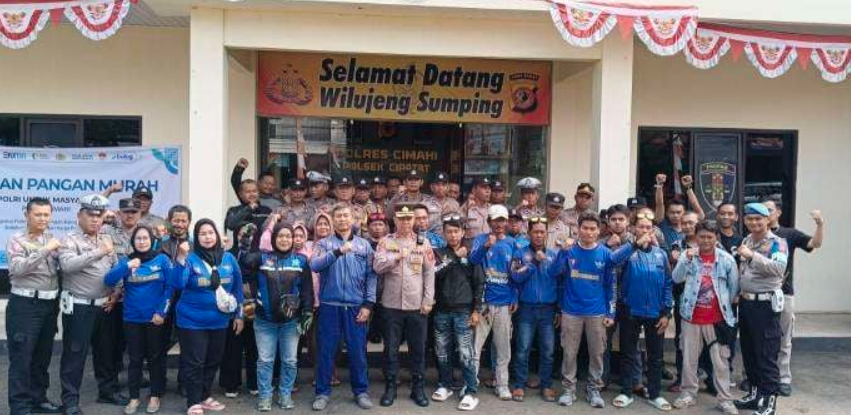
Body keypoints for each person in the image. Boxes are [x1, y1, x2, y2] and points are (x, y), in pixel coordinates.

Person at [551, 212, 632, 409]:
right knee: (569, 353)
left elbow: (611, 285)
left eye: (592, 229)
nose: (588, 232)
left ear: (598, 231)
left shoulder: (605, 253)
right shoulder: (569, 250)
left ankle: (594, 389)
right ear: (578, 229)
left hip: (597, 312)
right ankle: (568, 390)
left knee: (597, 353)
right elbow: (553, 272)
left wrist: (610, 313)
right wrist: (562, 252)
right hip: (571, 311)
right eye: (585, 228)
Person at [171, 219, 244, 415]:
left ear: (217, 235)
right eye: (202, 234)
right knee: (195, 362)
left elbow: (237, 288)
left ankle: (204, 396)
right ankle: (193, 402)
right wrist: (180, 257)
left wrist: (239, 315)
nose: (207, 237)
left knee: (213, 360)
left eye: (210, 233)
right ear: (196, 237)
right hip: (191, 321)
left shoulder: (229, 259)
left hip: (220, 320)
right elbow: (177, 284)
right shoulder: (190, 258)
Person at [57, 195, 123, 415]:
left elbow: (115, 268)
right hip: (79, 306)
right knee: (74, 354)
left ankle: (107, 391)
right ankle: (70, 401)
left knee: (106, 352)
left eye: (99, 215)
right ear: (79, 215)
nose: (95, 219)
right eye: (90, 215)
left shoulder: (106, 237)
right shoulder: (70, 239)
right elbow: (67, 265)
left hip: (105, 305)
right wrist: (100, 251)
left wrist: (117, 292)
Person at [309, 204, 377, 411]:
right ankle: (322, 393)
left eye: (346, 215)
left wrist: (368, 304)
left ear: (352, 219)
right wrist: (337, 252)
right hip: (330, 305)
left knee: (357, 351)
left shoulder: (364, 245)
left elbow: (371, 276)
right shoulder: (324, 244)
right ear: (333, 219)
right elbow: (314, 265)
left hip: (356, 306)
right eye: (338, 216)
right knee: (326, 351)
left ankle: (361, 391)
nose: (342, 219)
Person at [239, 223, 314, 411]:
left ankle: (285, 394)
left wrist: (307, 311)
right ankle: (265, 396)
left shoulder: (301, 261)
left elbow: (307, 289)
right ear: (273, 239)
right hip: (264, 320)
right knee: (265, 360)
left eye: (288, 236)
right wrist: (245, 244)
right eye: (280, 236)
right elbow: (244, 264)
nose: (284, 239)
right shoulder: (262, 258)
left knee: (290, 361)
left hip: (291, 321)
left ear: (293, 239)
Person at [671, 222, 739, 415]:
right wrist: (685, 260)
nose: (706, 241)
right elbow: (676, 278)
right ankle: (688, 394)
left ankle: (725, 399)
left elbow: (733, 289)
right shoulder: (688, 255)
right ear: (696, 237)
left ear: (716, 237)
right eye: (702, 236)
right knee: (689, 359)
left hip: (717, 319)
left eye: (710, 237)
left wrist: (725, 310)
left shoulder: (726, 259)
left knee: (721, 361)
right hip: (691, 317)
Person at [104, 226, 174, 414]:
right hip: (132, 318)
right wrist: (127, 266)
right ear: (133, 242)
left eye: (145, 238)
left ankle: (155, 395)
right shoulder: (127, 260)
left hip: (155, 319)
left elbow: (170, 287)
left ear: (152, 240)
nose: (142, 242)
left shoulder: (162, 259)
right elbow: (108, 280)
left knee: (155, 358)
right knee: (134, 360)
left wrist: (162, 312)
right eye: (138, 238)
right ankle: (134, 398)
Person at [373, 204, 436, 407]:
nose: (406, 222)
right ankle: (390, 387)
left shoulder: (423, 243)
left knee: (418, 349)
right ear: (395, 220)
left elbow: (429, 273)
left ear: (414, 220)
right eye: (402, 218)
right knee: (390, 349)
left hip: (416, 306)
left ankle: (418, 388)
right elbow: (377, 266)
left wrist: (428, 300)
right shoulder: (385, 241)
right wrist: (396, 256)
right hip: (391, 305)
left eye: (409, 218)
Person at [6, 197, 63, 415]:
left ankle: (39, 399)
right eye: (37, 214)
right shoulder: (17, 239)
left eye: (46, 214)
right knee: (22, 358)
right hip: (25, 306)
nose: (42, 218)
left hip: (49, 305)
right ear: (27, 215)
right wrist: (46, 249)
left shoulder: (52, 238)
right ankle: (20, 407)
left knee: (42, 356)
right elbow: (17, 269)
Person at [763, 199, 824, 397]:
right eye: (763, 210)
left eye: (770, 210)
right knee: (759, 338)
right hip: (760, 294)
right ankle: (756, 376)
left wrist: (819, 224)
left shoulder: (790, 234)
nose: (766, 214)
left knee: (784, 338)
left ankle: (783, 379)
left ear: (778, 212)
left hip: (784, 294)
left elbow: (815, 244)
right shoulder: (754, 235)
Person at [611, 214, 671, 411]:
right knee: (628, 353)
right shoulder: (628, 252)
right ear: (633, 229)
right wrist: (635, 245)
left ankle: (655, 394)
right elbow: (613, 260)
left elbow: (668, 283)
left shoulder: (661, 254)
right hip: (630, 310)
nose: (645, 231)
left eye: (648, 227)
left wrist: (667, 312)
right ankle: (626, 392)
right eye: (641, 227)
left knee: (655, 356)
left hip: (655, 312)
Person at [733, 203, 788, 415]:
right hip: (746, 303)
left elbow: (778, 269)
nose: (754, 222)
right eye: (750, 219)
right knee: (749, 352)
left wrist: (751, 256)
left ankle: (769, 402)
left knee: (766, 354)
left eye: (758, 218)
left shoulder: (778, 243)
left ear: (767, 219)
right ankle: (755, 395)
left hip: (765, 305)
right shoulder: (747, 240)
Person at [431, 214, 484, 411]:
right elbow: (435, 273)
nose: (453, 235)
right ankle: (445, 385)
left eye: (456, 231)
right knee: (442, 351)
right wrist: (454, 257)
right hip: (441, 309)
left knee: (465, 352)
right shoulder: (438, 253)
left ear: (462, 232)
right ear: (444, 234)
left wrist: (476, 310)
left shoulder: (472, 254)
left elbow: (480, 283)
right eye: (449, 232)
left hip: (464, 310)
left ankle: (470, 390)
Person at [509, 218, 560, 403]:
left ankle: (546, 385)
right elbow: (515, 276)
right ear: (529, 233)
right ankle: (519, 385)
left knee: (548, 350)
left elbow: (560, 282)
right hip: (526, 309)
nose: (539, 235)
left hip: (548, 309)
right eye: (535, 232)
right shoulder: (520, 253)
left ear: (546, 234)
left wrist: (559, 309)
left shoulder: (553, 255)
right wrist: (533, 263)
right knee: (522, 349)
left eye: (542, 232)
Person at [469, 204, 516, 401]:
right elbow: (472, 260)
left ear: (507, 222)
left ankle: (502, 384)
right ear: (489, 221)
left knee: (503, 348)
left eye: (502, 220)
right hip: (483, 302)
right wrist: (486, 246)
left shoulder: (513, 243)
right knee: (475, 347)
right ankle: (471, 384)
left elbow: (516, 273)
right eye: (496, 220)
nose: (499, 224)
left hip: (504, 303)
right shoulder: (480, 239)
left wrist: (514, 296)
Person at [159, 204, 193, 393]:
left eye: (183, 221)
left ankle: (184, 383)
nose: (179, 224)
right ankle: (159, 382)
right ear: (169, 221)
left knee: (187, 343)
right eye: (176, 220)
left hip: (186, 299)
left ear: (189, 222)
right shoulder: (160, 243)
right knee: (160, 342)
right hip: (163, 298)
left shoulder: (195, 244)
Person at [461, 178, 492, 246]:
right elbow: (457, 227)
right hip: (471, 248)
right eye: (484, 188)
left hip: (489, 248)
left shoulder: (493, 209)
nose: (487, 191)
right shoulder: (466, 208)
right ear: (474, 190)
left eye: (489, 188)